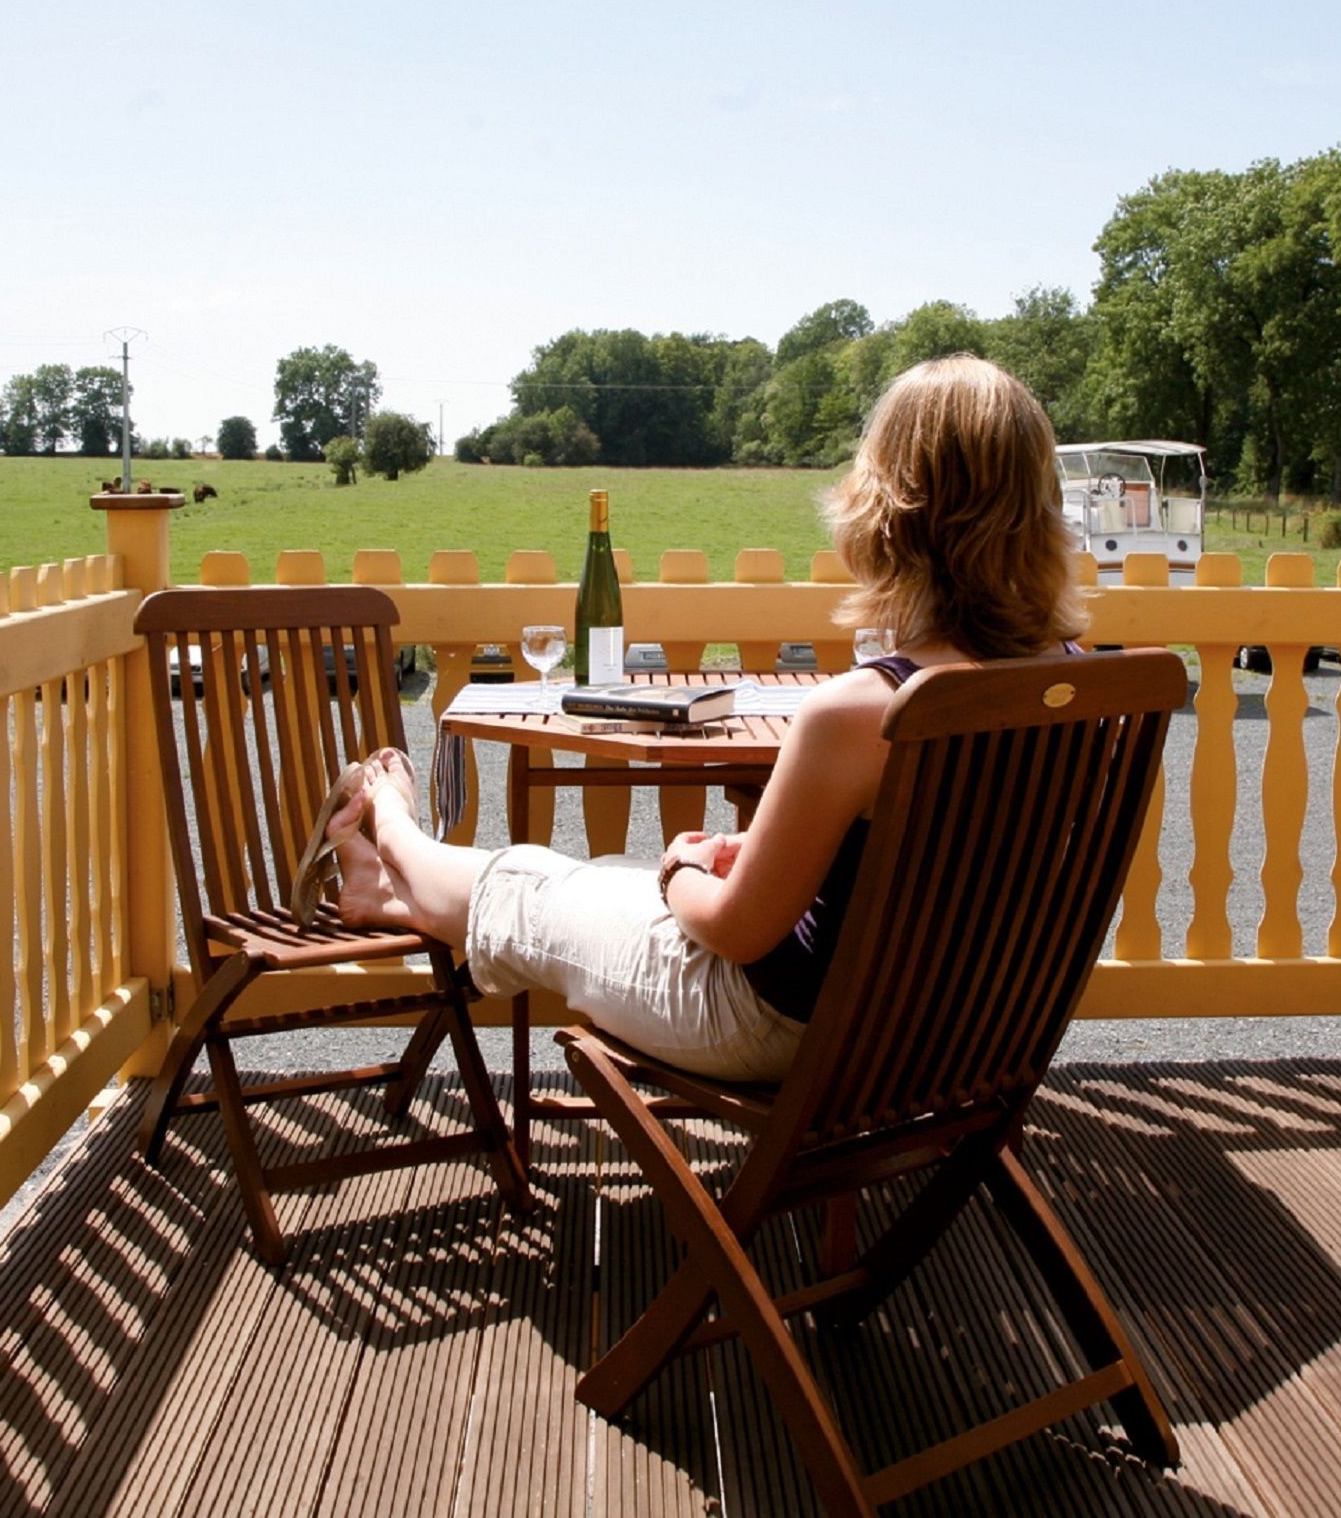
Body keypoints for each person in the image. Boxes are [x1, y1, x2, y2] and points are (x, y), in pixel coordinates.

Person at [321, 354, 1089, 1081]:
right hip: (954, 1035)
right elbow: (934, 853)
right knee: (597, 878)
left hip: (777, 1030)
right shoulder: (1084, 684)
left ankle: (391, 830)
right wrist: (751, 849)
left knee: (532, 883)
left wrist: (682, 868)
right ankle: (387, 896)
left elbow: (734, 932)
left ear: (888, 514)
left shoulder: (866, 711)